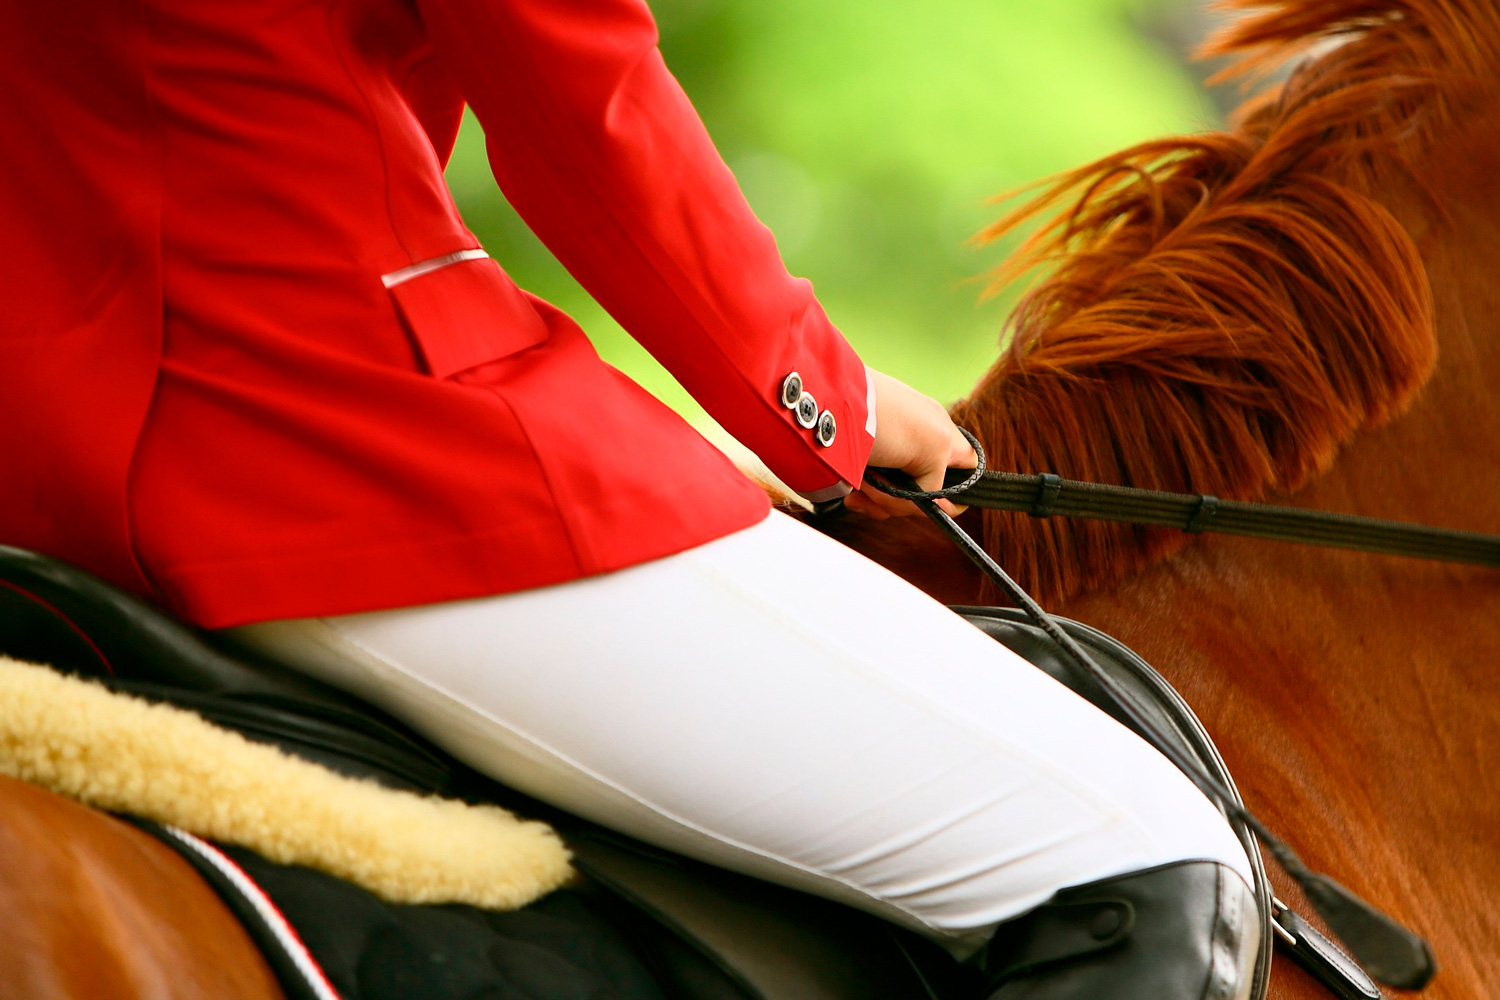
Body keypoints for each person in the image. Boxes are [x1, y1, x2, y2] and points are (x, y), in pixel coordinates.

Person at [0, 0, 1257, 996]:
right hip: (327, 450)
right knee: (1150, 857)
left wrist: (673, 461)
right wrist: (823, 396)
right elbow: (584, 102)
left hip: (48, 460)